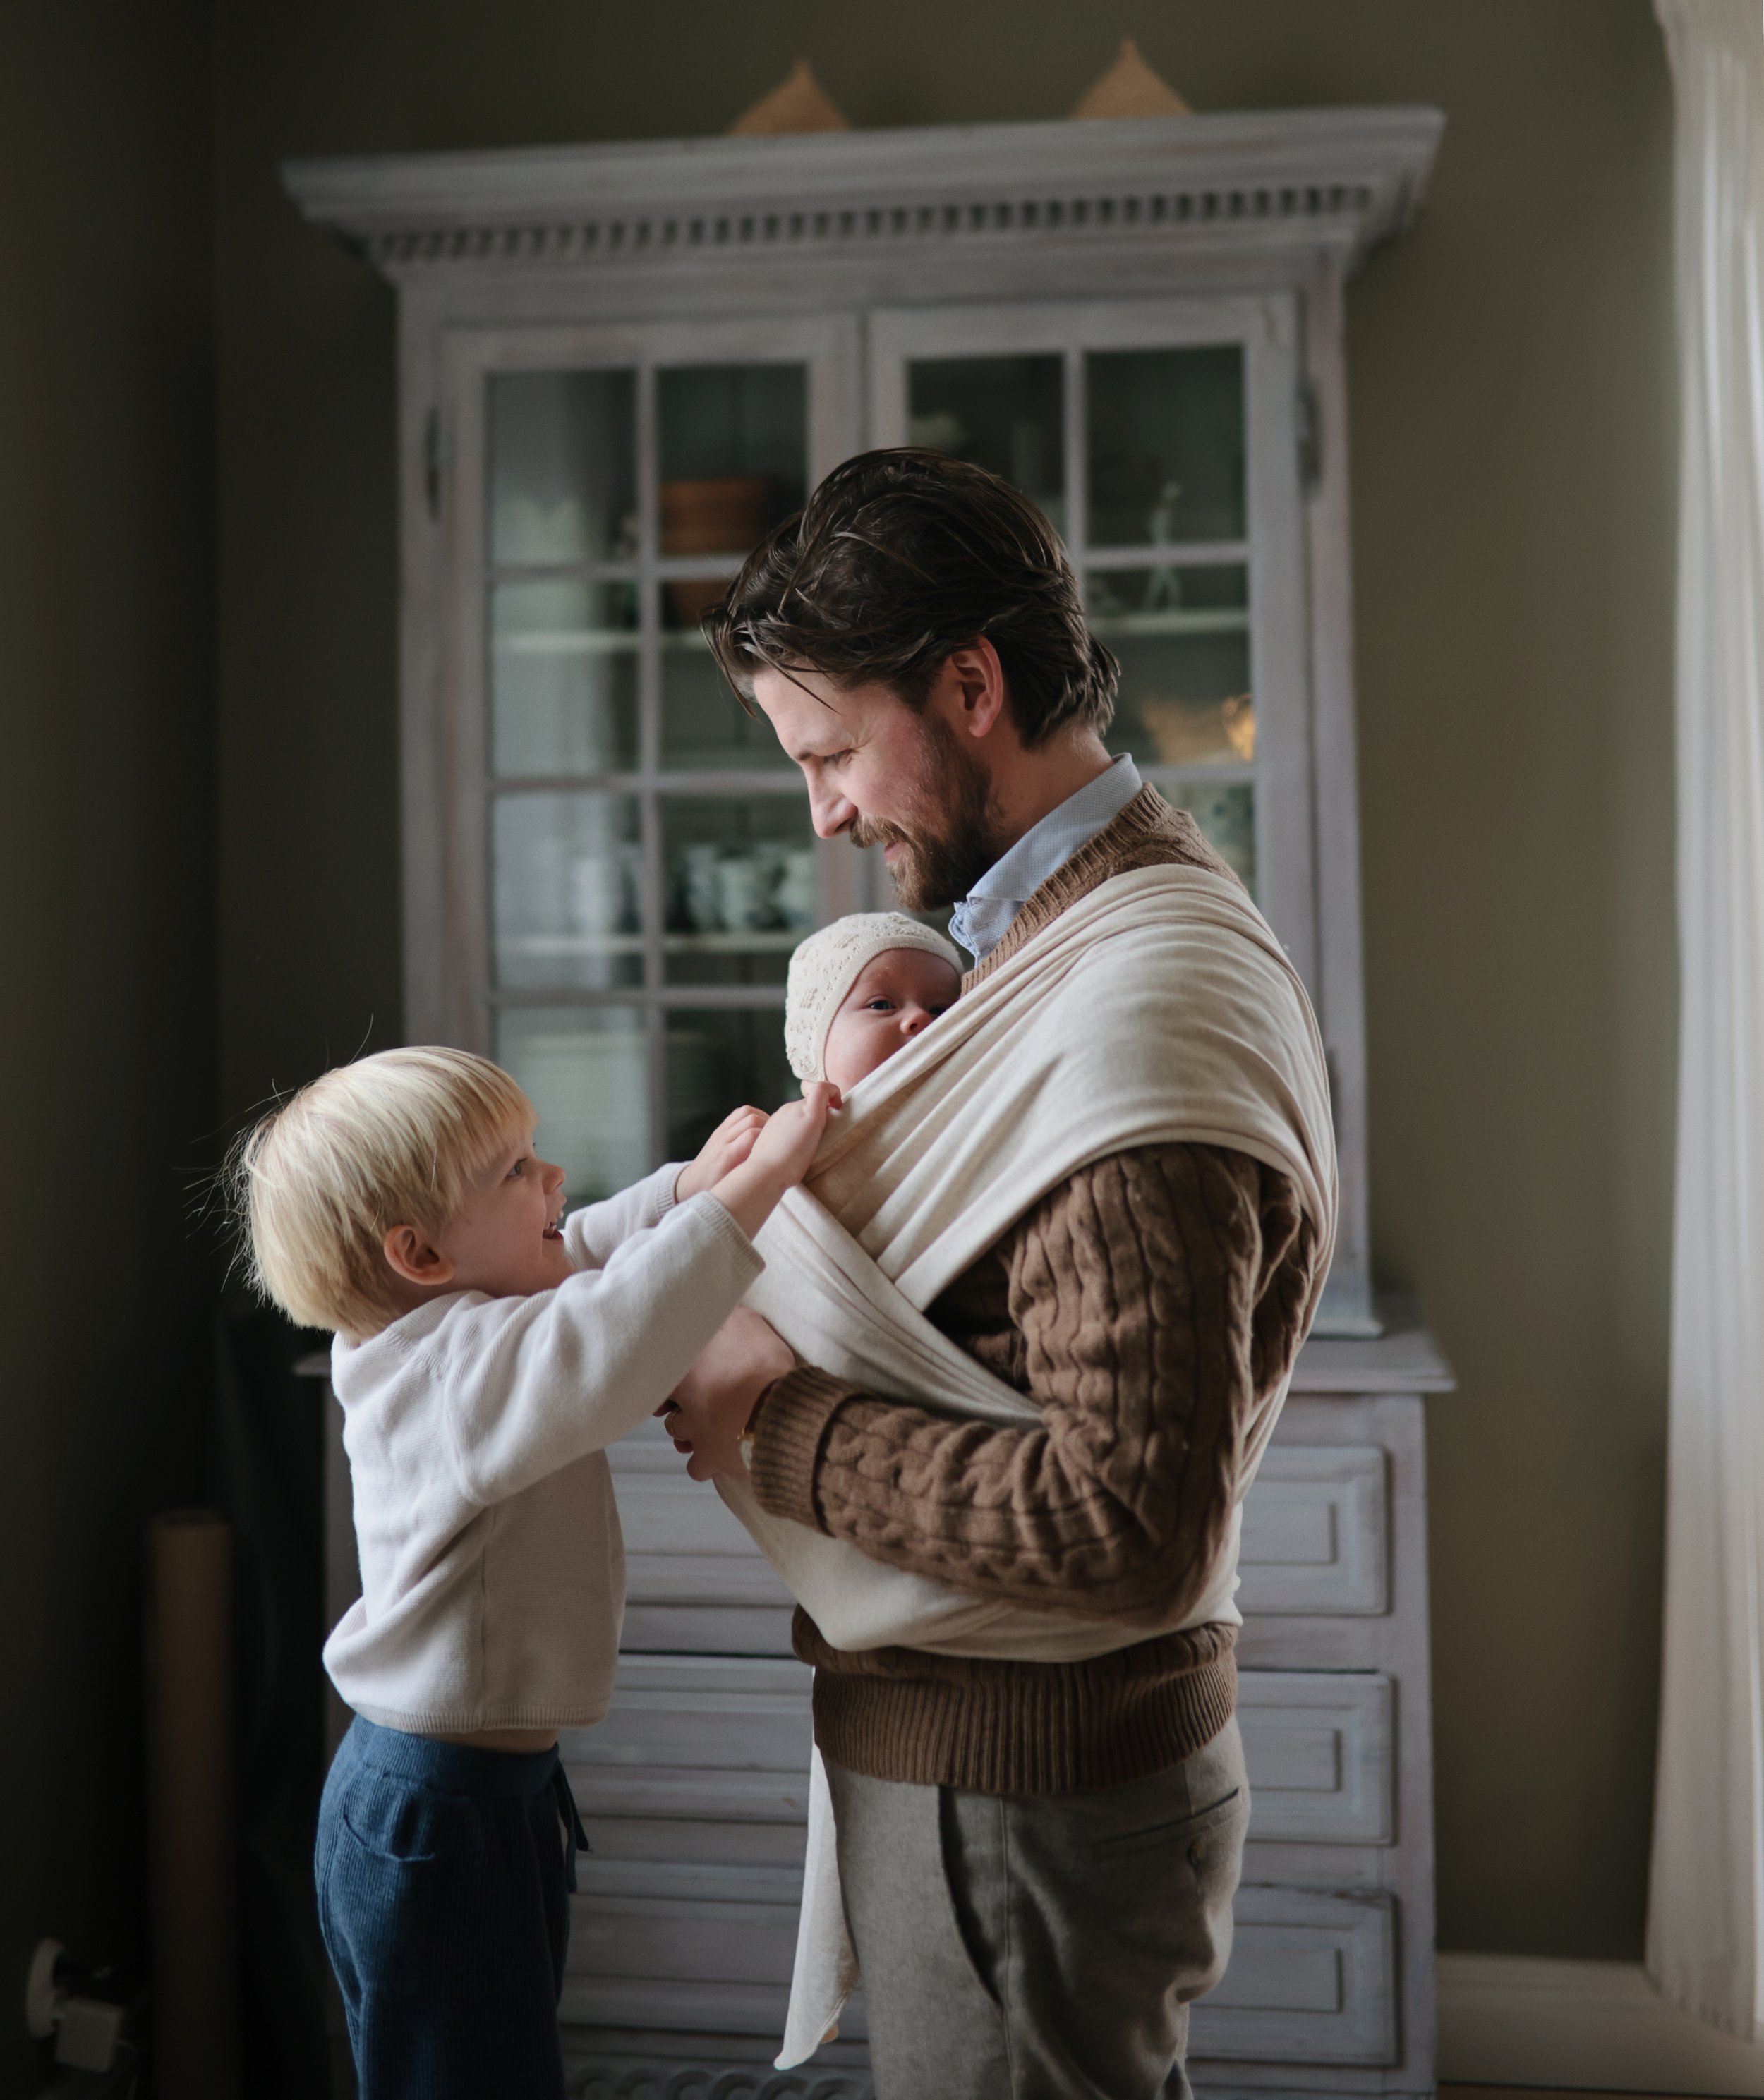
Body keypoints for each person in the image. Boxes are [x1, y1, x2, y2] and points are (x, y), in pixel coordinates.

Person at [662, 449, 1334, 2100]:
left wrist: (774, 1418)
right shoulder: (1049, 944)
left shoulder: (1123, 993)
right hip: (1005, 1776)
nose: (823, 811)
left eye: (831, 749)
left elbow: (1126, 1518)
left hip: (1024, 1793)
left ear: (972, 684)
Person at [231, 1046, 835, 2100]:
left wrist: (684, 1189)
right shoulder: (450, 1379)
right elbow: (609, 1335)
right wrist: (749, 1191)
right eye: (516, 1172)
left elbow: (582, 1249)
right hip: (436, 1813)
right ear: (420, 1253)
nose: (554, 1180)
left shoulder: (455, 1317)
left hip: (486, 1792)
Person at [783, 910, 965, 1091]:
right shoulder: (793, 1120)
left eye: (939, 1010)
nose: (921, 1016)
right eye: (881, 1005)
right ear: (814, 1044)